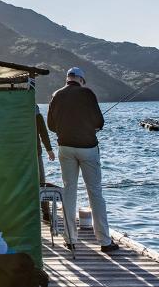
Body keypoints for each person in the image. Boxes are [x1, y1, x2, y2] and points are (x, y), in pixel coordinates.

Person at [46, 67, 119, 253]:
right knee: (94, 192)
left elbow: (51, 126)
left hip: (65, 148)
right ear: (81, 80)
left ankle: (70, 240)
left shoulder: (56, 95)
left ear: (68, 79)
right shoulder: (87, 93)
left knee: (69, 191)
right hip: (88, 148)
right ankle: (104, 241)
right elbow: (99, 122)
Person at [36, 106, 56, 222]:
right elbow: (43, 132)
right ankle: (46, 213)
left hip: (18, 153)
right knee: (41, 182)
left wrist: (48, 149)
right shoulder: (35, 111)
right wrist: (49, 149)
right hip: (35, 152)